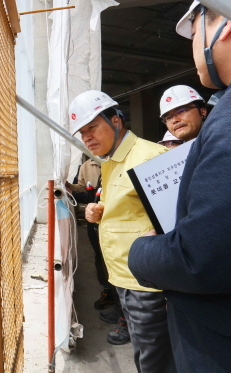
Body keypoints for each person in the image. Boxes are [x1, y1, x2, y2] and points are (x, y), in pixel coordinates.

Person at [129, 2, 231, 372]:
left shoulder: (225, 125)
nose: (174, 121)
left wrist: (139, 251)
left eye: (193, 30)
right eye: (168, 117)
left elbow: (199, 257)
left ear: (224, 25)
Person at [69, 90, 176, 371]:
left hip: (148, 284)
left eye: (92, 127)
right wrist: (96, 211)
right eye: (82, 132)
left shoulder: (150, 157)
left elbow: (177, 222)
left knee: (155, 359)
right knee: (144, 352)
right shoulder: (111, 162)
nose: (87, 137)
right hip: (124, 278)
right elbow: (123, 207)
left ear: (116, 121)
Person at [66, 159, 117, 310]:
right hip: (94, 220)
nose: (89, 140)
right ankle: (108, 291)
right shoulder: (86, 166)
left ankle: (122, 299)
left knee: (117, 256)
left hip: (115, 219)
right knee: (100, 255)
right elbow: (81, 188)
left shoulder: (120, 160)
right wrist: (69, 188)